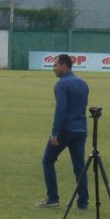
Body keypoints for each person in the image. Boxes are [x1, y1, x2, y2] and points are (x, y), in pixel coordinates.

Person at [39, 53, 90, 209]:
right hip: (81, 129)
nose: (53, 69)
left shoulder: (61, 85)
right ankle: (83, 202)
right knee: (79, 165)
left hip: (66, 129)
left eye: (55, 65)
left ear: (64, 65)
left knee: (48, 160)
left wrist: (55, 133)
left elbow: (61, 109)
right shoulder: (83, 83)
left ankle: (53, 197)